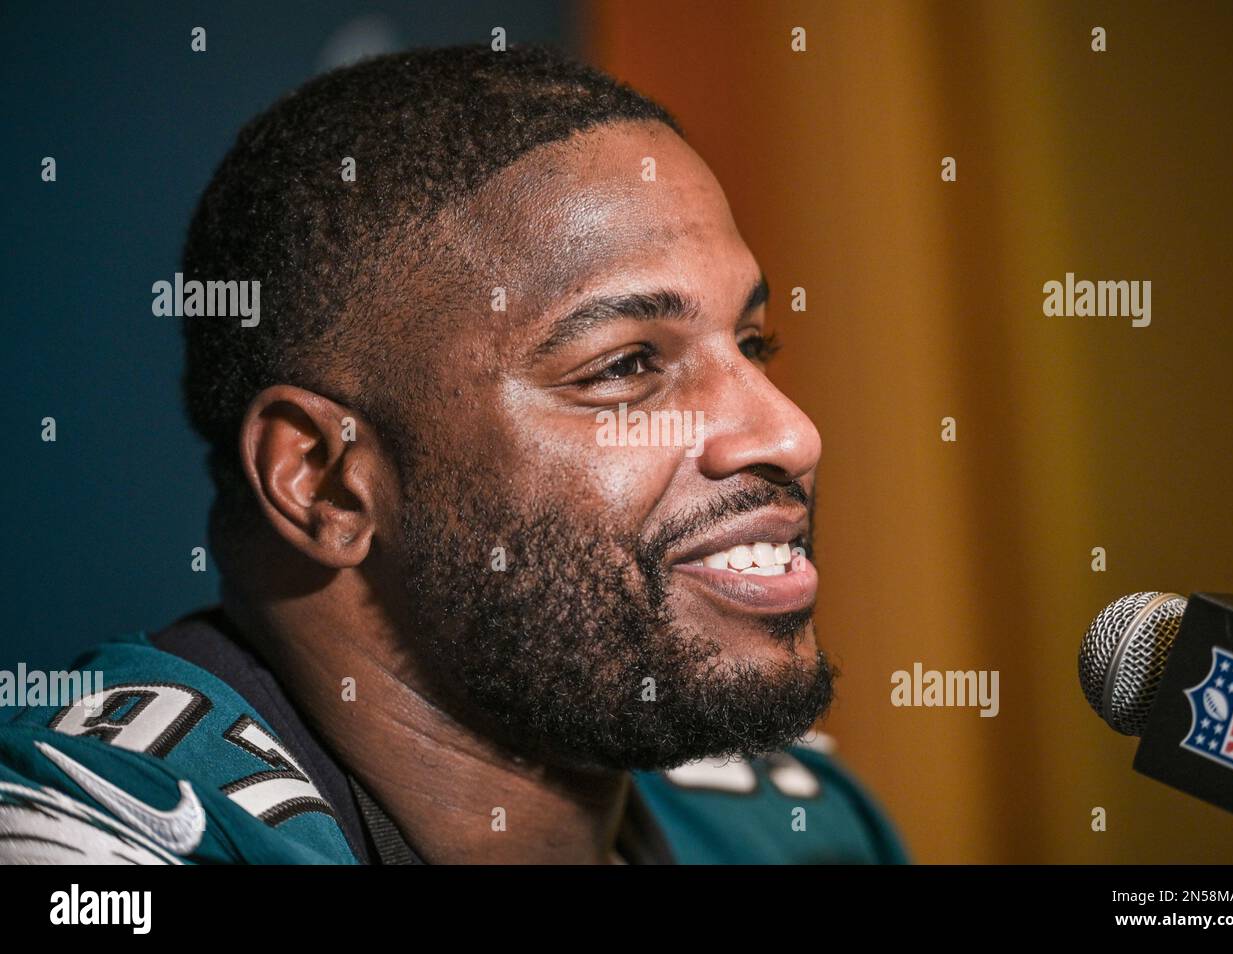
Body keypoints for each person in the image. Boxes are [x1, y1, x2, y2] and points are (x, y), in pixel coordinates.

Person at [0, 44, 904, 865]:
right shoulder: (100, 839)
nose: (790, 434)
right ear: (324, 478)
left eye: (751, 344)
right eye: (625, 367)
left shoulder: (798, 823)